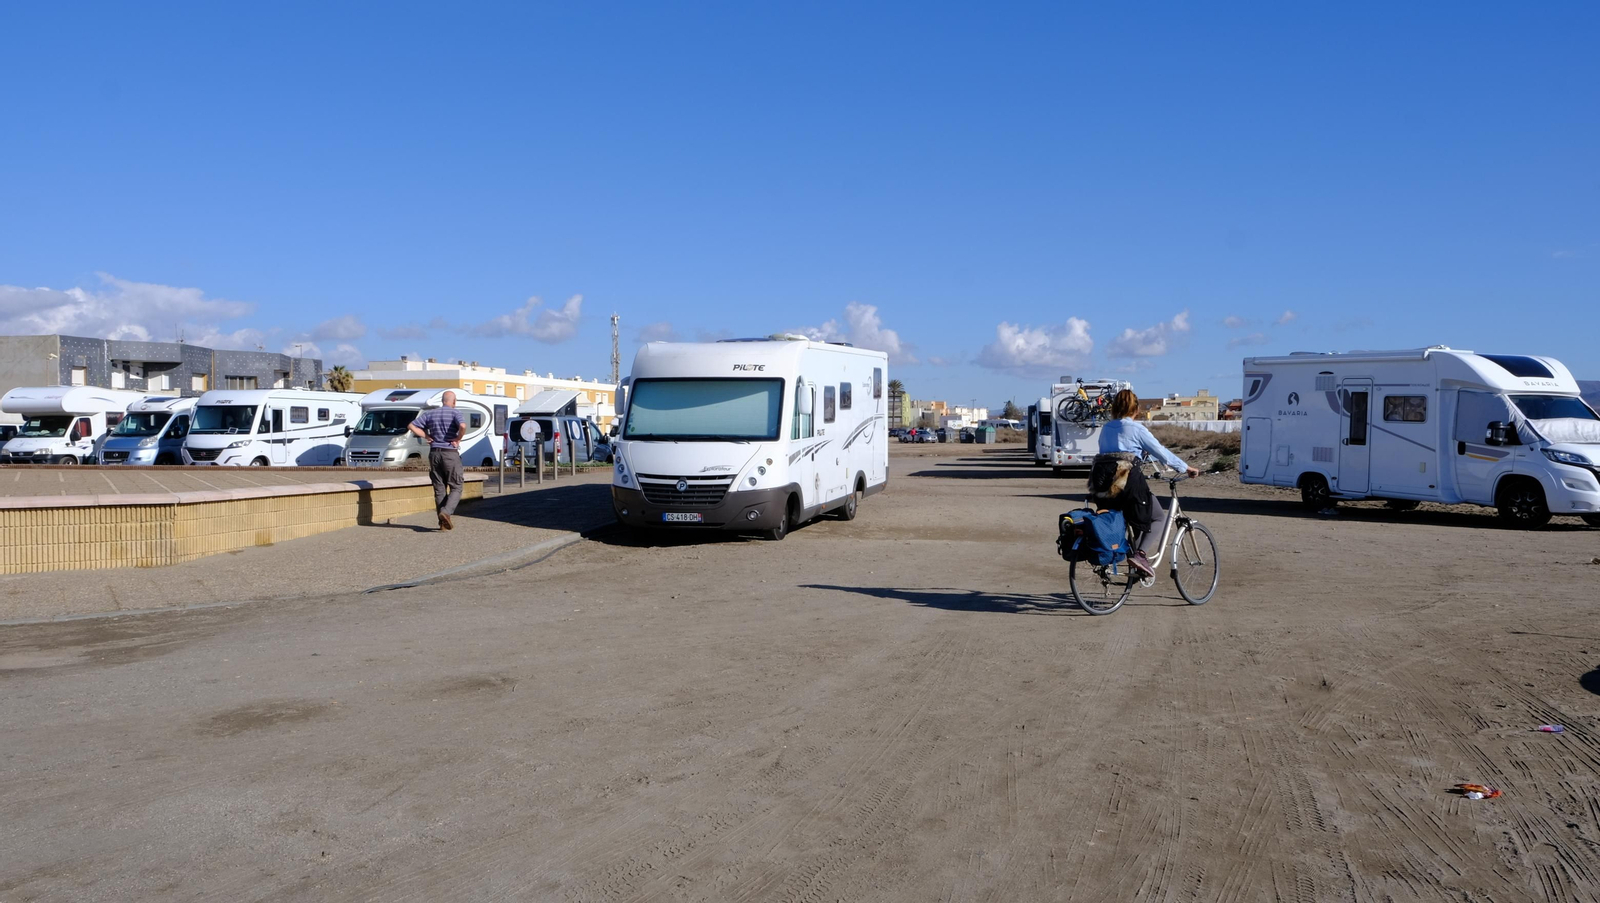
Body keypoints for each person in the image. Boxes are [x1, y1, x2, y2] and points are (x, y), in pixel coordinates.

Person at [1090, 389, 1200, 577]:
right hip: (1127, 481)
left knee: (1126, 518)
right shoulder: (1136, 429)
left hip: (1103, 485)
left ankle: (1126, 559)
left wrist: (1140, 456)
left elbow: (1111, 454)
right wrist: (1185, 468)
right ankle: (1140, 556)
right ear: (1135, 409)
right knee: (1157, 517)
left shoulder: (1106, 428)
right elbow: (1161, 452)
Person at [408, 391, 467, 530]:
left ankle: (443, 524)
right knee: (456, 485)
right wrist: (458, 439)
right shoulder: (455, 413)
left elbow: (411, 425)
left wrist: (426, 436)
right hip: (450, 453)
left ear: (442, 400)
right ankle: (446, 513)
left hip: (434, 453)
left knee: (439, 488)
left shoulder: (430, 414)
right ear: (454, 401)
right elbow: (463, 426)